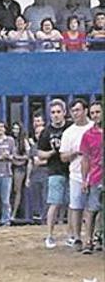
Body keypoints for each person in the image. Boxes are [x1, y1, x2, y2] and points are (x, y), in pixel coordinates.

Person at [59, 99, 93, 250]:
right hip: (76, 174)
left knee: (94, 207)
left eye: (78, 110)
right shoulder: (68, 133)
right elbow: (63, 157)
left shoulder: (94, 127)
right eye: (73, 111)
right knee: (76, 206)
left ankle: (92, 237)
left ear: (85, 111)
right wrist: (76, 152)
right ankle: (77, 237)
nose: (75, 114)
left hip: (95, 174)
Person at [37, 100, 70, 249]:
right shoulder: (46, 132)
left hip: (72, 170)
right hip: (55, 170)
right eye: (53, 112)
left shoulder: (71, 128)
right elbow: (40, 153)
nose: (56, 115)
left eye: (58, 112)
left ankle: (72, 235)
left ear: (64, 112)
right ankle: (50, 235)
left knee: (73, 205)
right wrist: (52, 152)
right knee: (54, 203)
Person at [78, 101, 102, 254]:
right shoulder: (88, 135)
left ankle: (100, 239)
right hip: (96, 177)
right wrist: (84, 179)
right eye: (92, 113)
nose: (95, 115)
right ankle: (88, 240)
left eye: (98, 112)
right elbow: (85, 159)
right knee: (92, 209)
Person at [9, 122, 30, 221]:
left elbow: (28, 156)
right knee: (10, 190)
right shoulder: (10, 140)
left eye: (17, 129)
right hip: (10, 166)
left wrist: (17, 157)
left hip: (19, 168)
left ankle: (14, 213)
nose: (15, 131)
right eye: (14, 129)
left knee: (17, 190)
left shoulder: (24, 141)